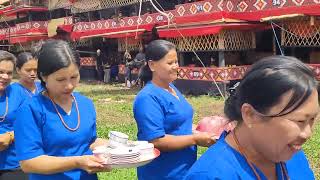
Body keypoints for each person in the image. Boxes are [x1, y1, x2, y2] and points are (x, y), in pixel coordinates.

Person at [185, 56, 318, 180]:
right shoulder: (211, 175)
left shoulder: (291, 153)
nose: (307, 134)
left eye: (312, 120)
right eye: (299, 121)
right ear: (250, 115)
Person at [14, 40, 111, 180]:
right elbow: (29, 162)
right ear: (43, 76)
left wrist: (121, 147)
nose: (69, 85)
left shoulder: (85, 104)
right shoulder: (30, 110)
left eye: (74, 77)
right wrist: (77, 162)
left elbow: (89, 141)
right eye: (60, 80)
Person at [133, 40, 215, 180]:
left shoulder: (172, 89)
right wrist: (195, 139)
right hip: (162, 173)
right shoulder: (147, 98)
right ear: (152, 65)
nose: (176, 66)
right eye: (170, 63)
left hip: (184, 170)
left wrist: (202, 129)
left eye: (176, 62)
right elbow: (156, 140)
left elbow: (178, 124)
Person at [0, 50, 28, 180]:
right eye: (1, 72)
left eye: (9, 73)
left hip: (13, 165)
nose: (5, 77)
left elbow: (30, 126)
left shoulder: (18, 93)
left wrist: (10, 136)